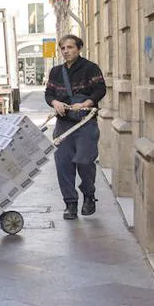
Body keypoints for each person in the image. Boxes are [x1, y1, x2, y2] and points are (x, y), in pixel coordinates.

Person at [44, 34, 107, 220]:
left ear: (79, 48)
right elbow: (48, 94)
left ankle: (89, 194)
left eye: (70, 47)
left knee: (85, 161)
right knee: (63, 164)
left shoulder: (90, 68)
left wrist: (87, 103)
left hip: (85, 122)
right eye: (63, 48)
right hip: (64, 124)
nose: (66, 51)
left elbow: (100, 89)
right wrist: (55, 102)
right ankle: (70, 204)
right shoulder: (56, 72)